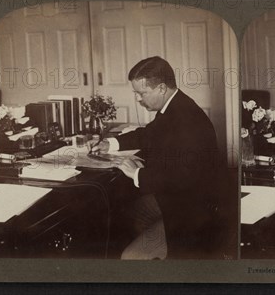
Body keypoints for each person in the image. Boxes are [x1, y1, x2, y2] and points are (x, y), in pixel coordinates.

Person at [90, 56, 227, 259]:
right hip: (182, 200)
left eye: (141, 93)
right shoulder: (174, 106)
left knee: (129, 256)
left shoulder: (186, 119)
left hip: (191, 213)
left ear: (161, 88)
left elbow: (183, 179)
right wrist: (110, 143)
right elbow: (149, 134)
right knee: (126, 215)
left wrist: (137, 173)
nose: (138, 99)